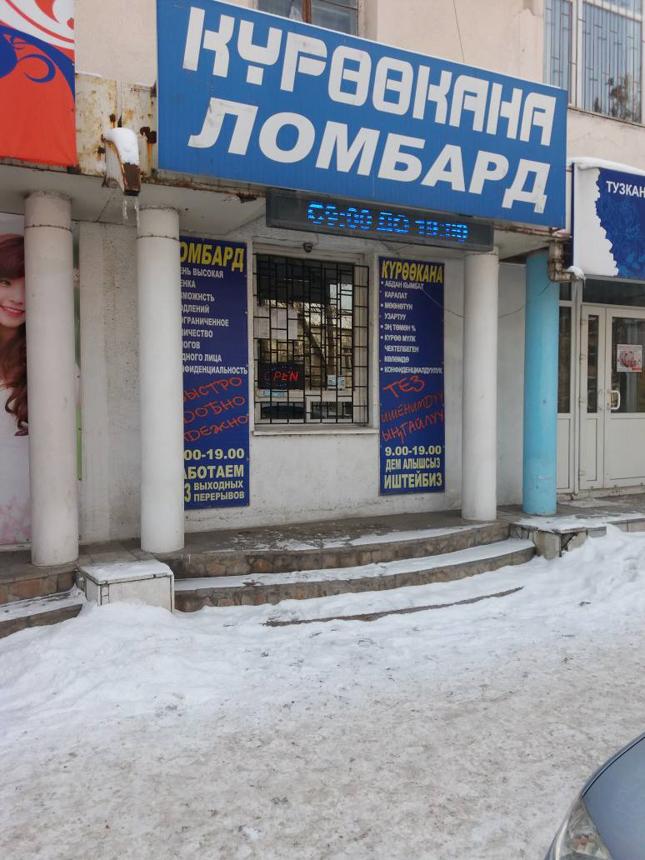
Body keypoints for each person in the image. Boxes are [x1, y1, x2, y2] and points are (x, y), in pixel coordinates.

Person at [0, 233, 29, 544]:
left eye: (28, 284)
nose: (18, 297)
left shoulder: (49, 360)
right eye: (6, 282)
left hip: (28, 513)